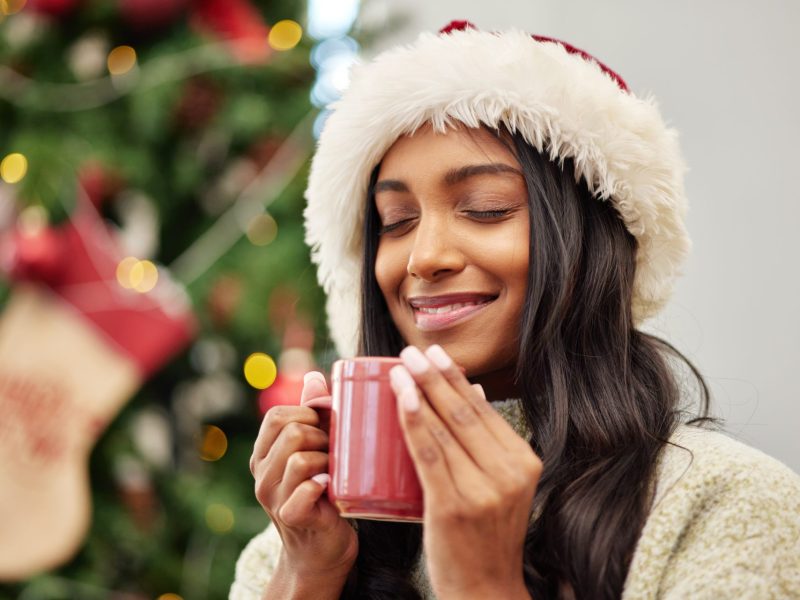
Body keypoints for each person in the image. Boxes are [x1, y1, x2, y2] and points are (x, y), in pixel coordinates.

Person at [231, 21, 800, 600]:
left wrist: (482, 582)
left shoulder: (728, 506)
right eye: (396, 222)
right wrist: (306, 575)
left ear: (588, 240)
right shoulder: (290, 551)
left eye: (485, 208)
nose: (423, 258)